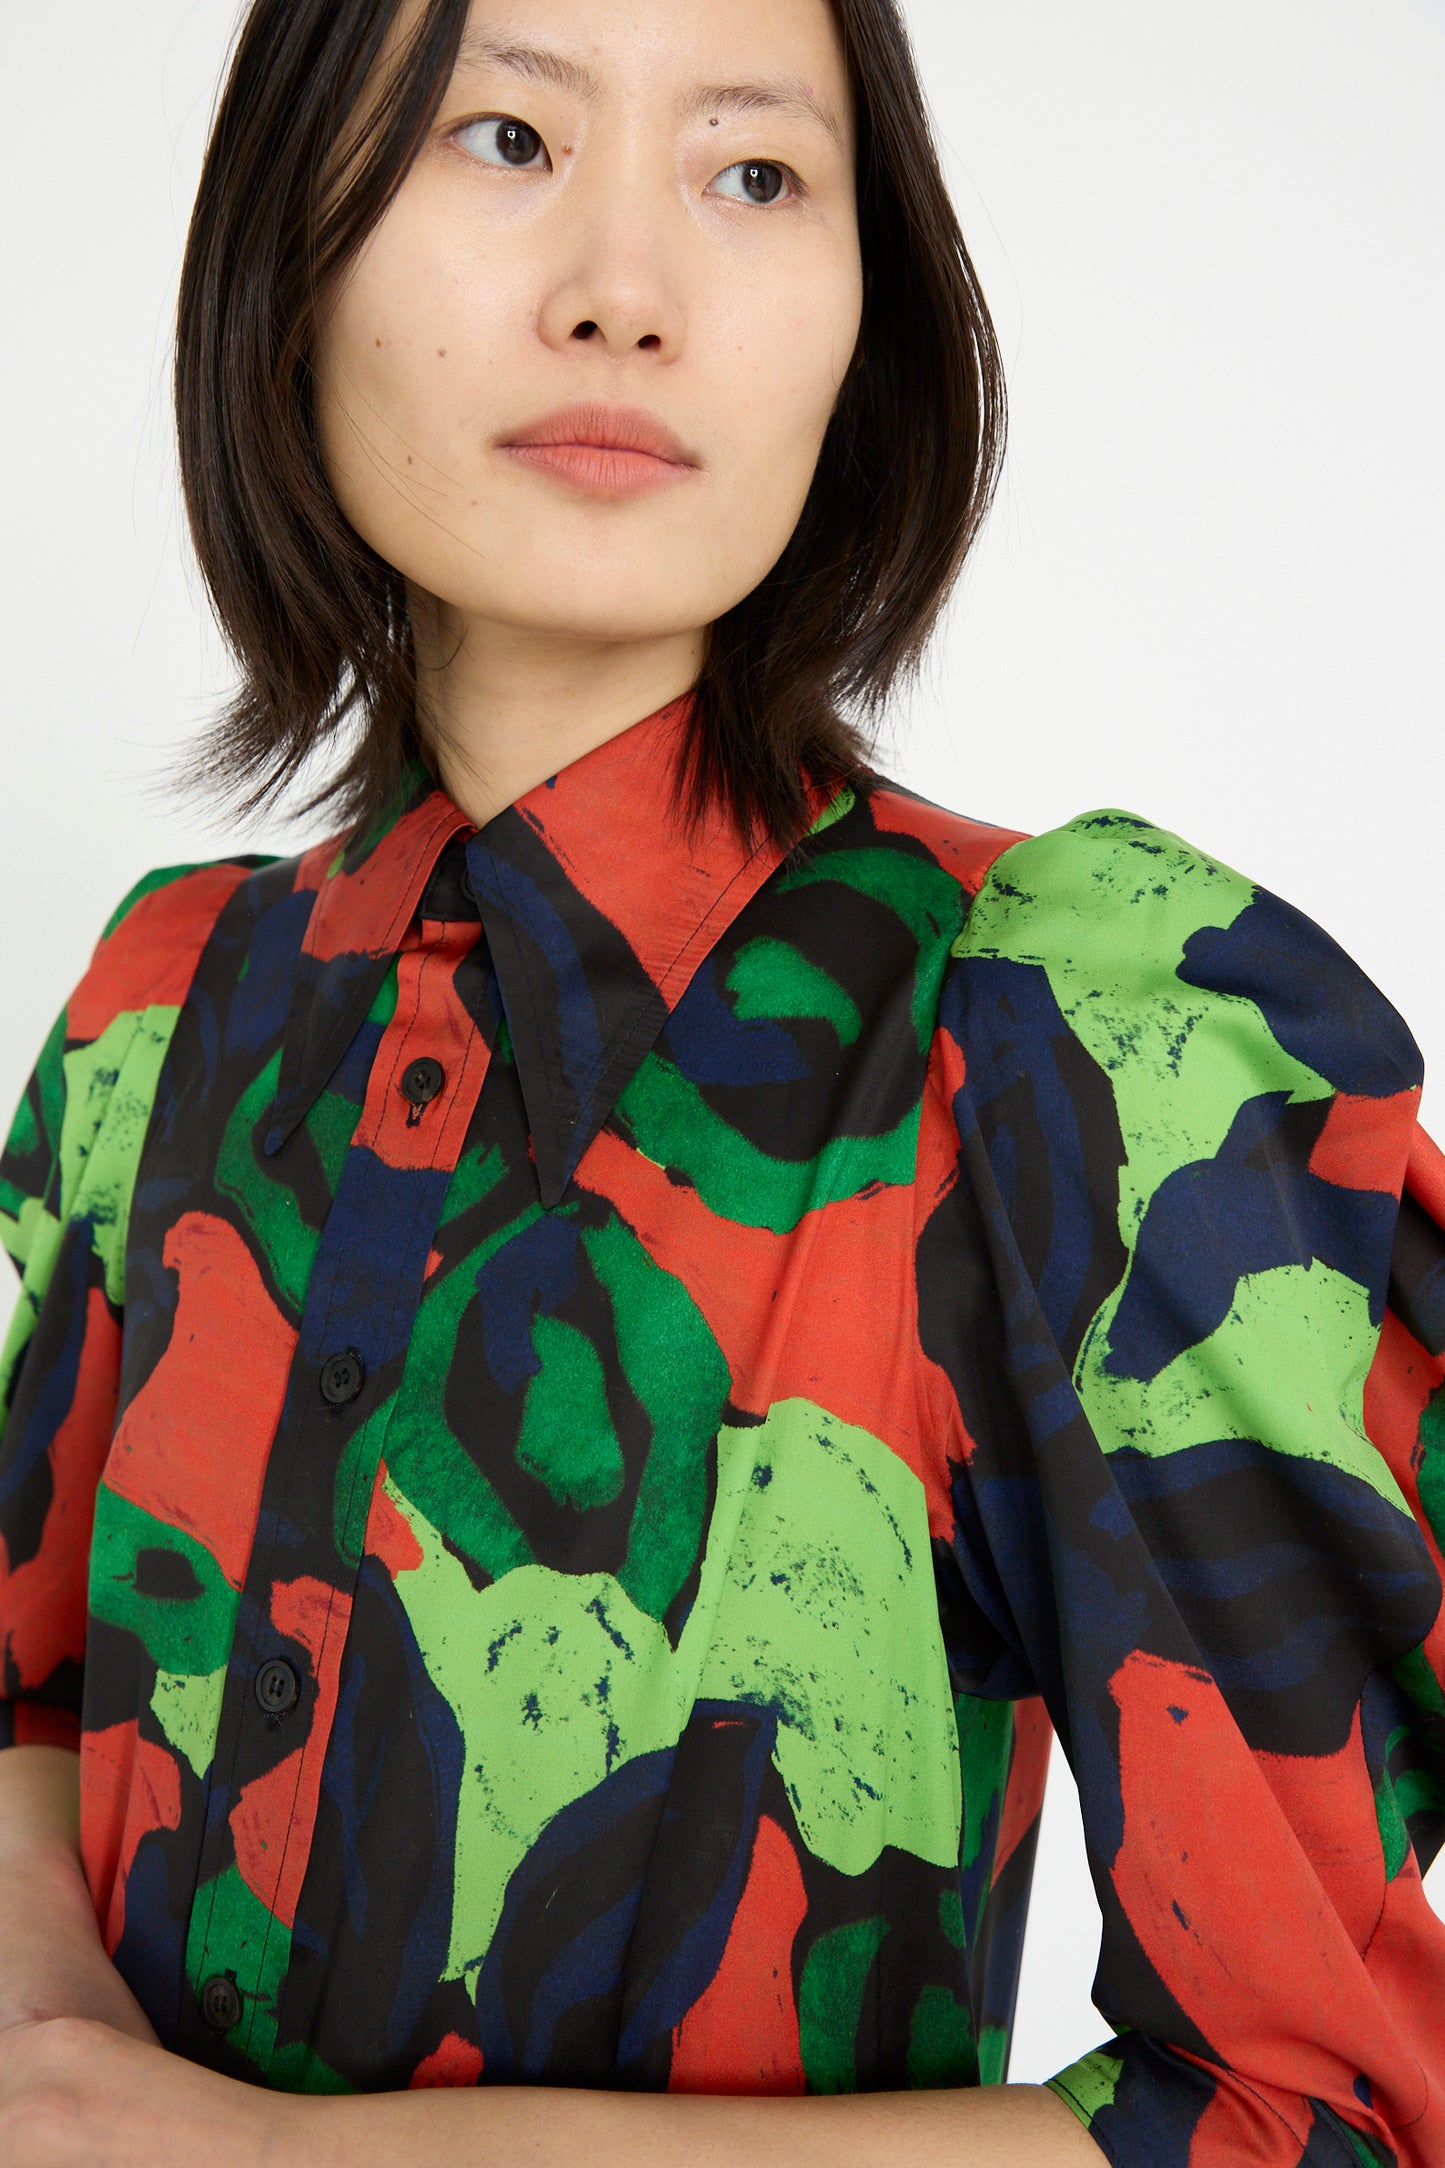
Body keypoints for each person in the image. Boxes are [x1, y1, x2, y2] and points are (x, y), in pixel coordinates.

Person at [1, 0, 1441, 2162]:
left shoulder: (1065, 1049)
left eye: (754, 173)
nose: (621, 291)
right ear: (286, 239)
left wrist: (281, 2157)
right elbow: (29, 1692)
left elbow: (1308, 2117)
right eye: (503, 137)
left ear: (872, 318)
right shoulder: (159, 1008)